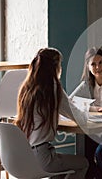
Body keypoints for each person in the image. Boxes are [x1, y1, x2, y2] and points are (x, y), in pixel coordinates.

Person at [15, 48, 89, 178]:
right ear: (55, 66)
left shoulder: (27, 87)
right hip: (43, 157)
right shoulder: (52, 87)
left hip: (25, 156)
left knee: (61, 172)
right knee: (83, 163)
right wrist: (86, 109)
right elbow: (79, 118)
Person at [70, 47, 102, 179]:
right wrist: (94, 109)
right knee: (84, 157)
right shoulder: (85, 85)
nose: (97, 67)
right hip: (92, 132)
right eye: (93, 64)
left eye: (101, 62)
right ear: (88, 66)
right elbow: (71, 102)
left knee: (100, 154)